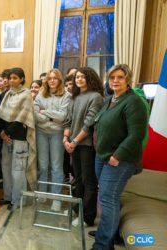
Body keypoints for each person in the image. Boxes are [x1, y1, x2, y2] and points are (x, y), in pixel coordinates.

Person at [89, 64, 147, 250]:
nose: (115, 81)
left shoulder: (133, 102)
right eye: (112, 77)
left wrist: (117, 155)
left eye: (120, 77)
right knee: (109, 198)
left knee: (107, 198)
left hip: (119, 159)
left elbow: (136, 134)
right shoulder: (110, 99)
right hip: (102, 156)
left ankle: (103, 245)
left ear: (128, 79)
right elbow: (98, 121)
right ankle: (109, 233)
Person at [63, 67, 104, 227]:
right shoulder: (74, 97)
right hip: (72, 144)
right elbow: (68, 120)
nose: (78, 79)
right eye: (77, 77)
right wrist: (66, 139)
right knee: (77, 179)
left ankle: (87, 217)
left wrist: (74, 142)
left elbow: (89, 124)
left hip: (85, 145)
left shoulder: (96, 97)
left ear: (90, 78)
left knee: (88, 181)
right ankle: (76, 209)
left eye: (82, 77)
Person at [0, 67, 36, 210]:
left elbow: (22, 118)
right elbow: (1, 115)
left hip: (19, 137)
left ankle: (18, 200)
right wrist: (3, 132)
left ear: (21, 79)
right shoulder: (8, 94)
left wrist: (7, 132)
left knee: (18, 170)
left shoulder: (26, 94)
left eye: (15, 78)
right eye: (10, 78)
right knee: (6, 168)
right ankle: (8, 196)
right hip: (6, 137)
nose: (11, 80)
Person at [34, 69, 71, 211]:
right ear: (46, 80)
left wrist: (45, 113)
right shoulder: (40, 94)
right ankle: (42, 194)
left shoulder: (66, 95)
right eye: (50, 78)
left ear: (59, 80)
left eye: (55, 78)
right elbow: (35, 113)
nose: (52, 81)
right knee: (43, 166)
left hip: (57, 133)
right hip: (41, 132)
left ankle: (57, 199)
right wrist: (51, 117)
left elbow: (63, 116)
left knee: (56, 167)